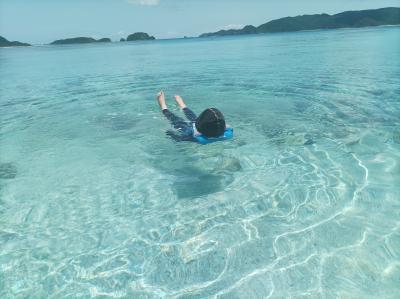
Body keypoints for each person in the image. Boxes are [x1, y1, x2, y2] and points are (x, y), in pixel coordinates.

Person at [157, 91, 233, 144]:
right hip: (204, 127)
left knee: (177, 120)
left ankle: (164, 107)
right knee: (194, 118)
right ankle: (182, 105)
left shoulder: (193, 136)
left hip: (189, 128)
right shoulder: (228, 134)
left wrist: (169, 133)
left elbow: (179, 139)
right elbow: (224, 125)